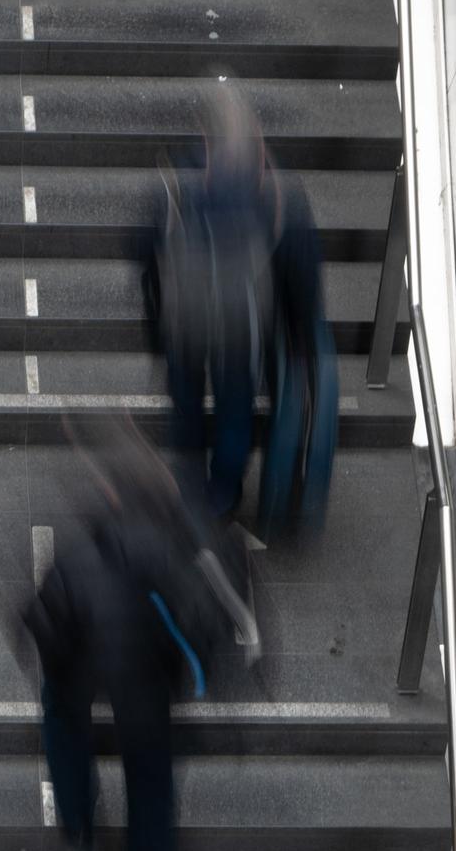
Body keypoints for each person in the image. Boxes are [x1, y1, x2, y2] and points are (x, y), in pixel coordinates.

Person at [21, 418, 244, 851]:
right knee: (152, 789)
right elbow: (212, 623)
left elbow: (46, 626)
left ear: (112, 495)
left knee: (60, 716)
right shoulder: (185, 555)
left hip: (84, 668)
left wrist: (56, 668)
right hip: (147, 690)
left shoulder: (79, 560)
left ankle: (78, 823)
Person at [145, 83, 338, 540]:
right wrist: (299, 325)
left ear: (204, 135)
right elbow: (301, 264)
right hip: (242, 325)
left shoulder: (176, 179)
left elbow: (147, 257)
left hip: (186, 321)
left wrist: (156, 328)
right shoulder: (274, 188)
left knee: (187, 406)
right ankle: (223, 495)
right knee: (235, 409)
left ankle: (190, 492)